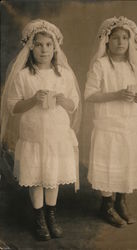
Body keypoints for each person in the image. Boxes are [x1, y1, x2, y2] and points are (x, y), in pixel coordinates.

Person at [1, 19, 81, 240]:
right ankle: (38, 218)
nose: (44, 49)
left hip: (57, 136)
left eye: (48, 44)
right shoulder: (23, 76)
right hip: (34, 136)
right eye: (39, 45)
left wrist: (63, 100)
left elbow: (74, 104)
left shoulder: (64, 74)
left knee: (52, 177)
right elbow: (13, 107)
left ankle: (51, 215)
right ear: (30, 48)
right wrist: (33, 100)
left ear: (55, 47)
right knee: (36, 177)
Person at [84, 16, 137, 228]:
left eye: (125, 38)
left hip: (130, 125)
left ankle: (122, 201)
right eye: (116, 38)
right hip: (109, 125)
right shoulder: (101, 65)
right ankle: (107, 204)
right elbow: (90, 95)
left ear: (131, 42)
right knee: (110, 162)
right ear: (107, 40)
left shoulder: (134, 67)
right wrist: (116, 95)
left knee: (126, 162)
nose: (121, 42)